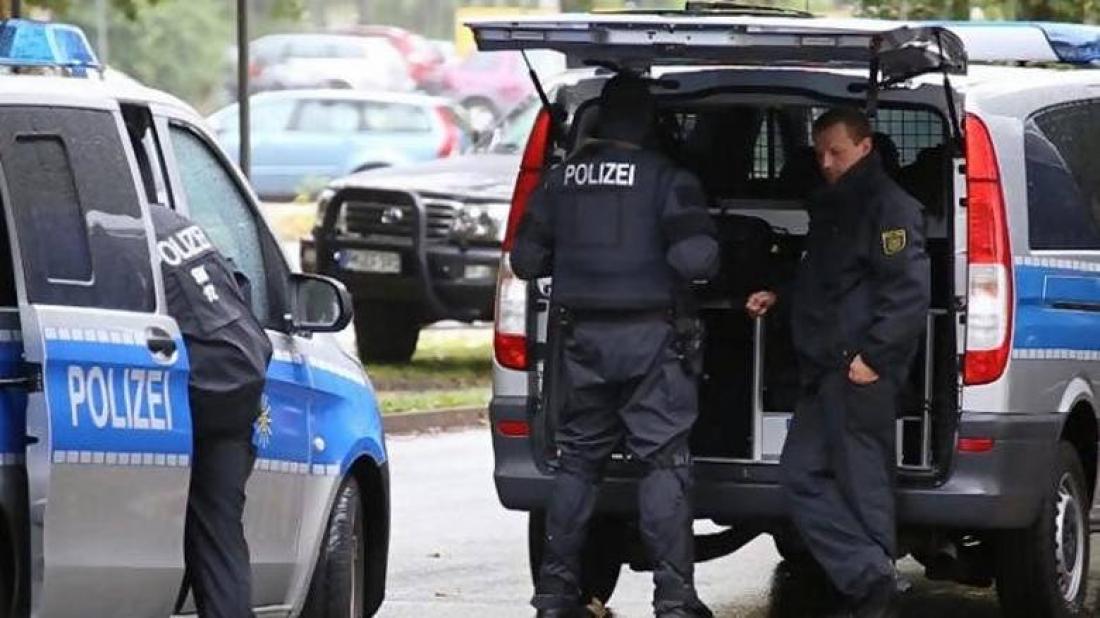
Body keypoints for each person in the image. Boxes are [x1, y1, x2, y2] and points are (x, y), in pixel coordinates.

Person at [511, 74, 719, 618]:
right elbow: (697, 261)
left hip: (581, 344)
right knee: (663, 464)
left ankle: (556, 594)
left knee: (578, 464)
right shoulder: (667, 179)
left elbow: (526, 261)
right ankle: (674, 599)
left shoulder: (559, 180)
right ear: (650, 125)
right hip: (652, 344)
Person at [745, 108, 930, 618]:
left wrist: (874, 357)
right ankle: (869, 576)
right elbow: (828, 282)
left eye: (837, 152)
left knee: (862, 482)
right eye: (819, 152)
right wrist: (779, 295)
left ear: (865, 147)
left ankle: (873, 589)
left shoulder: (888, 206)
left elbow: (908, 293)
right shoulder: (834, 205)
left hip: (858, 369)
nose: (825, 162)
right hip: (823, 367)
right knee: (800, 475)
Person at [151, 203, 272, 618]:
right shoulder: (174, 223)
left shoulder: (118, 229)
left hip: (198, 381)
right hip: (243, 372)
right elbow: (239, 284)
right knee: (219, 536)